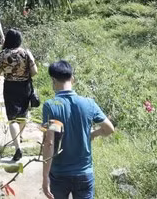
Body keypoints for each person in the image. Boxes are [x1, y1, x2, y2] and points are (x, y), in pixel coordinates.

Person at [41, 60, 115, 199]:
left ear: (53, 80)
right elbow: (109, 129)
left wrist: (45, 177)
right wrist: (93, 134)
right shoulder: (88, 103)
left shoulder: (51, 105)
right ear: (72, 79)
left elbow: (49, 143)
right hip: (84, 173)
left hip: (59, 174)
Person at [0, 29, 38, 162]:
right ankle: (20, 136)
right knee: (23, 115)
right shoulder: (25, 53)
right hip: (25, 87)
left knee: (12, 118)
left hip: (10, 87)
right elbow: (35, 72)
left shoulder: (2, 54)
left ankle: (17, 147)